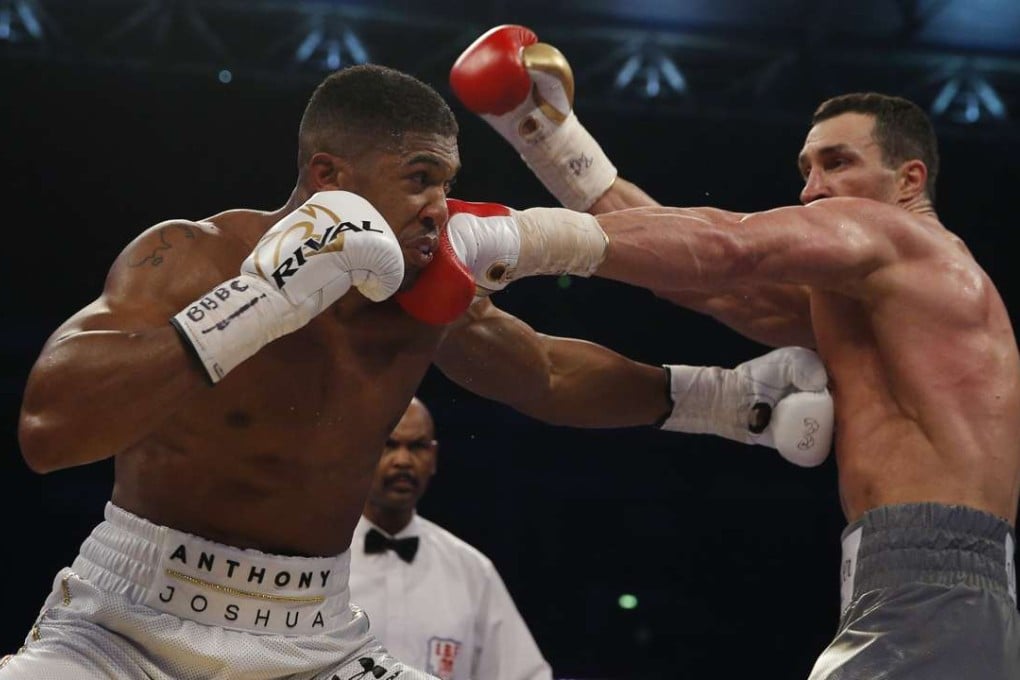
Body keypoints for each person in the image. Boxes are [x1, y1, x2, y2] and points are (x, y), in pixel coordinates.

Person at [7, 63, 833, 679]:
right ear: (330, 178)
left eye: (447, 182)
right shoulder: (196, 256)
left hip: (313, 639)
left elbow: (540, 373)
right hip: (126, 624)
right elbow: (48, 432)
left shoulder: (418, 294)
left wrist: (726, 402)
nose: (439, 206)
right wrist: (256, 303)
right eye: (418, 179)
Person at [449, 24, 1020, 679]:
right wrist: (546, 137)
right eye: (806, 169)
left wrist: (507, 238)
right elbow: (699, 277)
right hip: (934, 590)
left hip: (929, 589)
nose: (811, 190)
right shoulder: (887, 296)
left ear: (908, 179)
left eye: (837, 163)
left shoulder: (900, 238)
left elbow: (726, 247)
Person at [349, 396, 552, 680]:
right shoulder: (323, 562)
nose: (403, 461)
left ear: (433, 457)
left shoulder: (472, 571)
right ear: (363, 453)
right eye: (390, 444)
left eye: (417, 446)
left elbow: (525, 674)